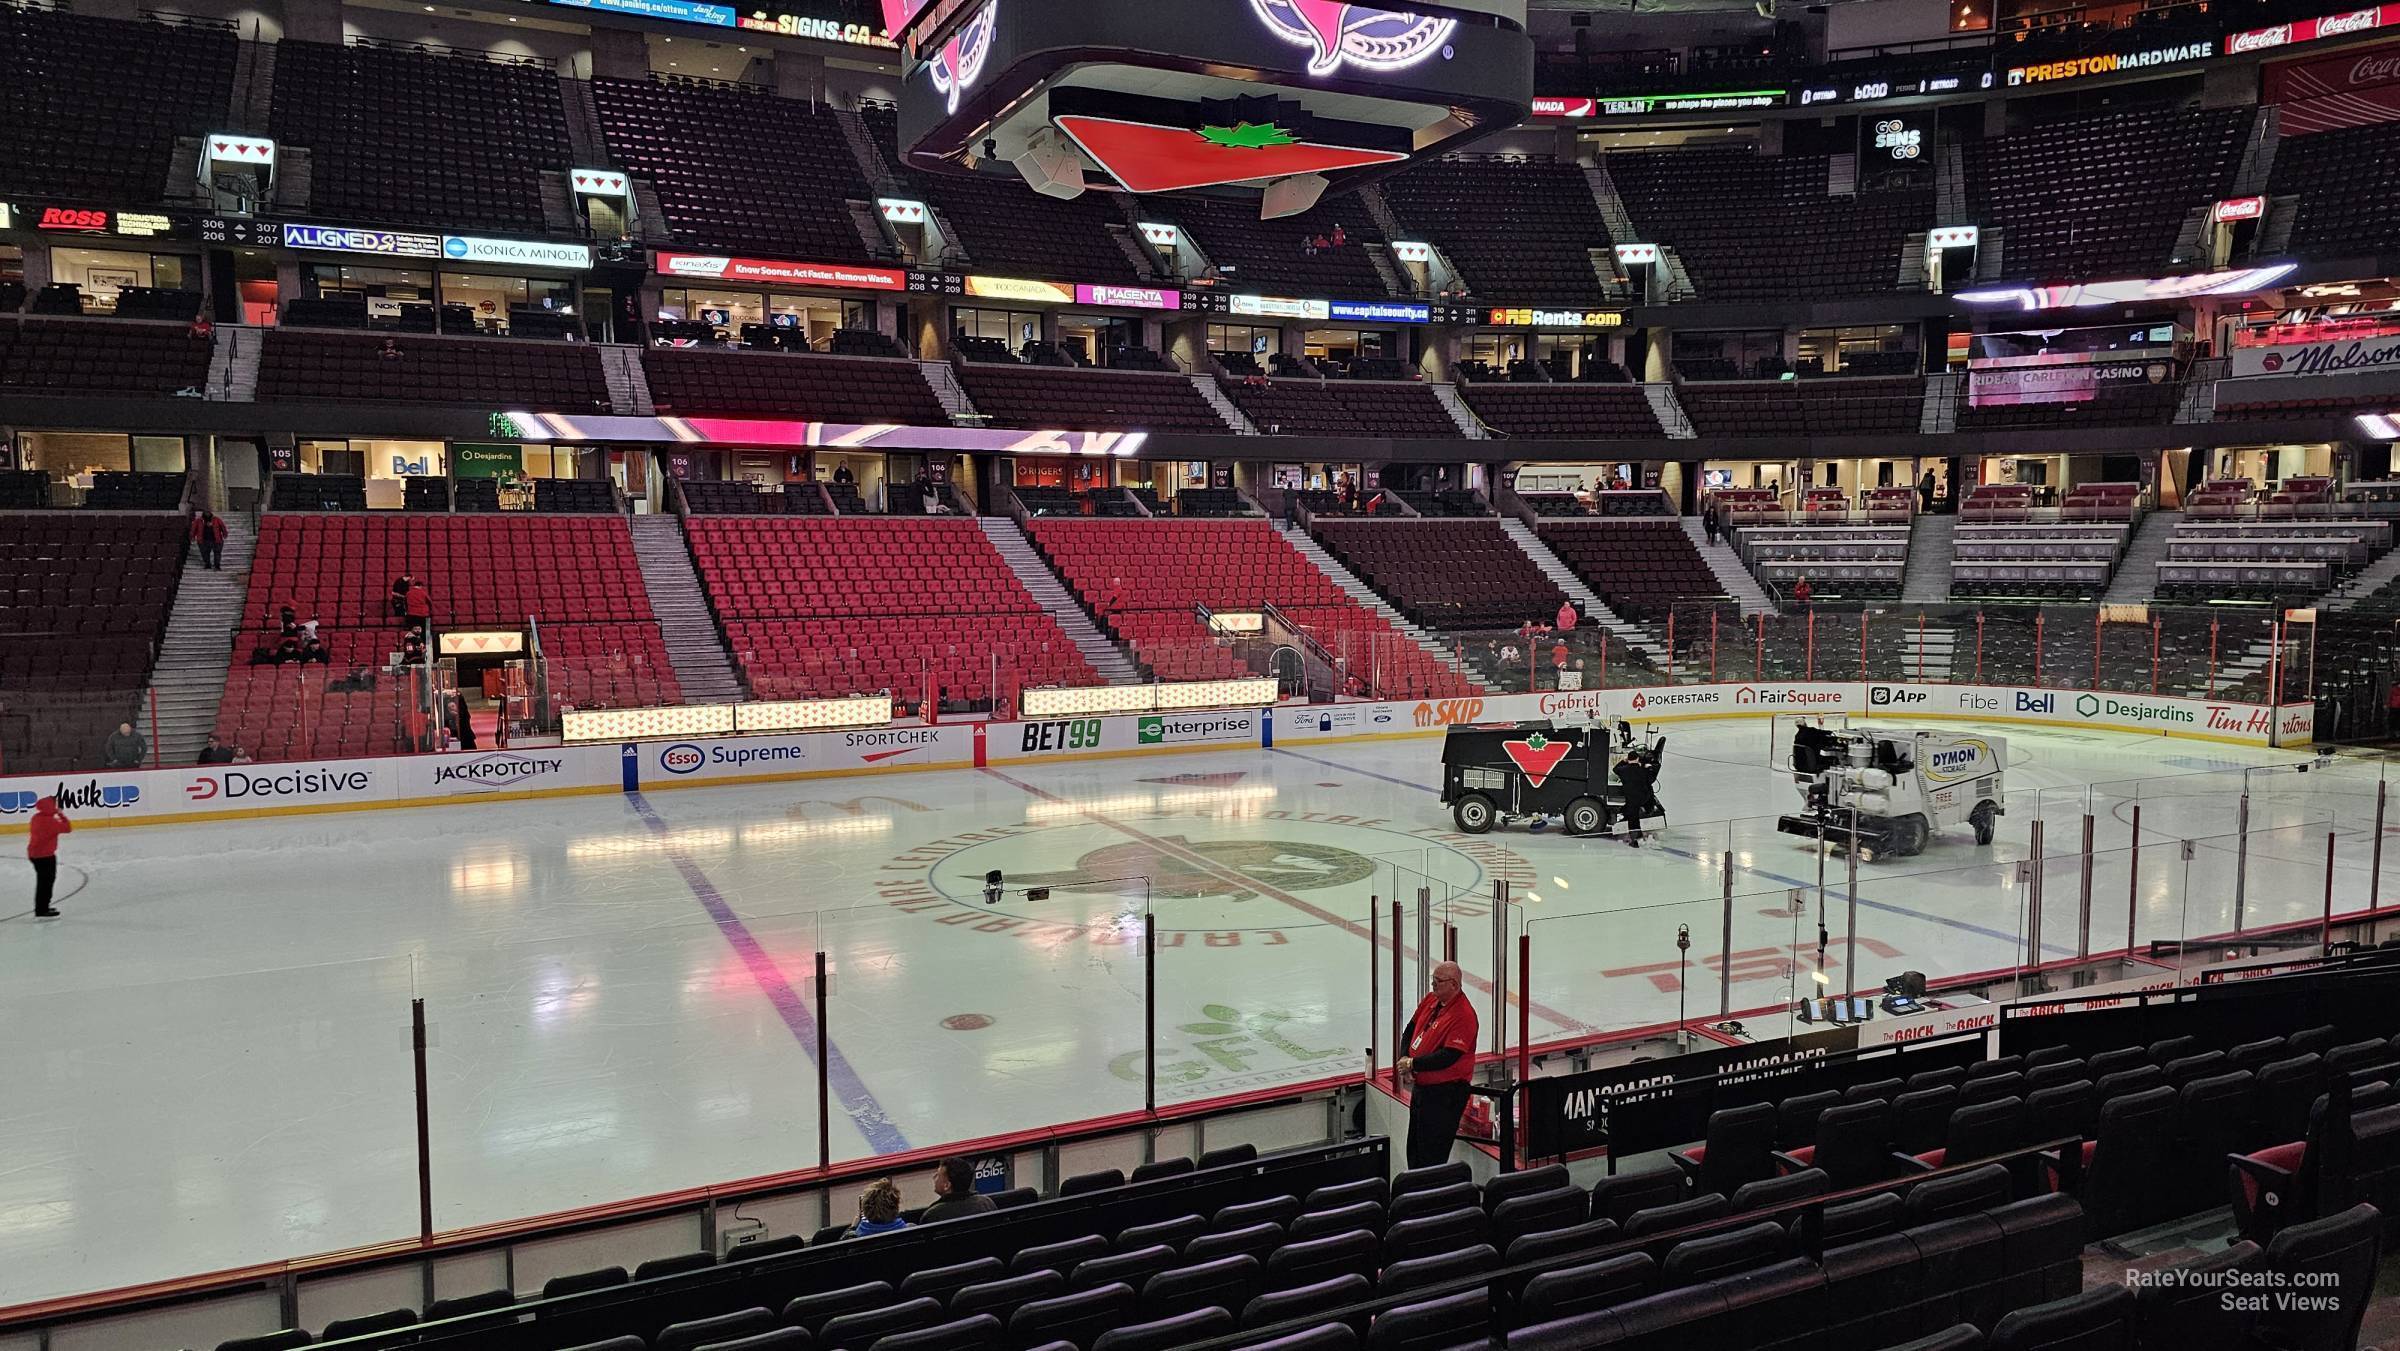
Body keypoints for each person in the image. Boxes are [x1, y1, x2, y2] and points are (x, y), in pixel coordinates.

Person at [1398, 961, 1478, 1168]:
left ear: (1454, 984)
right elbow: (1410, 1029)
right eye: (1432, 979)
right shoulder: (1431, 999)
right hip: (1422, 1090)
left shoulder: (1464, 1015)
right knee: (1414, 1151)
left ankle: (1429, 1187)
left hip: (1445, 1095)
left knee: (1431, 1156)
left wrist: (1413, 1063)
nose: (1433, 984)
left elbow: (1448, 1056)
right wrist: (1404, 1059)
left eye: (1438, 981)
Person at [27, 795, 69, 919]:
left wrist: (54, 813)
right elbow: (67, 828)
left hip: (35, 854)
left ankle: (42, 907)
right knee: (46, 882)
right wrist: (60, 814)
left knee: (43, 882)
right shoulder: (51, 822)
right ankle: (42, 909)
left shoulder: (36, 818)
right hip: (45, 856)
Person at [922, 1156, 996, 1222]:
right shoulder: (986, 1204)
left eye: (937, 1175)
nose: (934, 1177)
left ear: (946, 1186)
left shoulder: (932, 1215)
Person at [1614, 745, 1662, 848]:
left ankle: (1635, 839)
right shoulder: (1643, 770)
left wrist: (1623, 761)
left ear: (1628, 759)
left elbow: (1615, 769)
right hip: (1643, 798)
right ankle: (1649, 809)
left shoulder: (1623, 770)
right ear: (1637, 759)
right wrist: (1649, 767)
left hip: (1631, 798)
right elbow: (1651, 779)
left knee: (1633, 819)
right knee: (1649, 795)